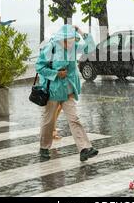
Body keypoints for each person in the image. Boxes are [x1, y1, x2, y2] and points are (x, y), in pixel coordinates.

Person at [36, 25, 99, 162]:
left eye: (72, 39)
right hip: (53, 91)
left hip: (68, 91)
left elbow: (91, 48)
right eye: (68, 40)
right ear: (61, 38)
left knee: (74, 119)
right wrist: (56, 73)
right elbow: (39, 66)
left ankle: (84, 149)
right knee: (48, 121)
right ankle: (44, 148)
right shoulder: (51, 47)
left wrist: (81, 32)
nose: (71, 42)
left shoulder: (73, 46)